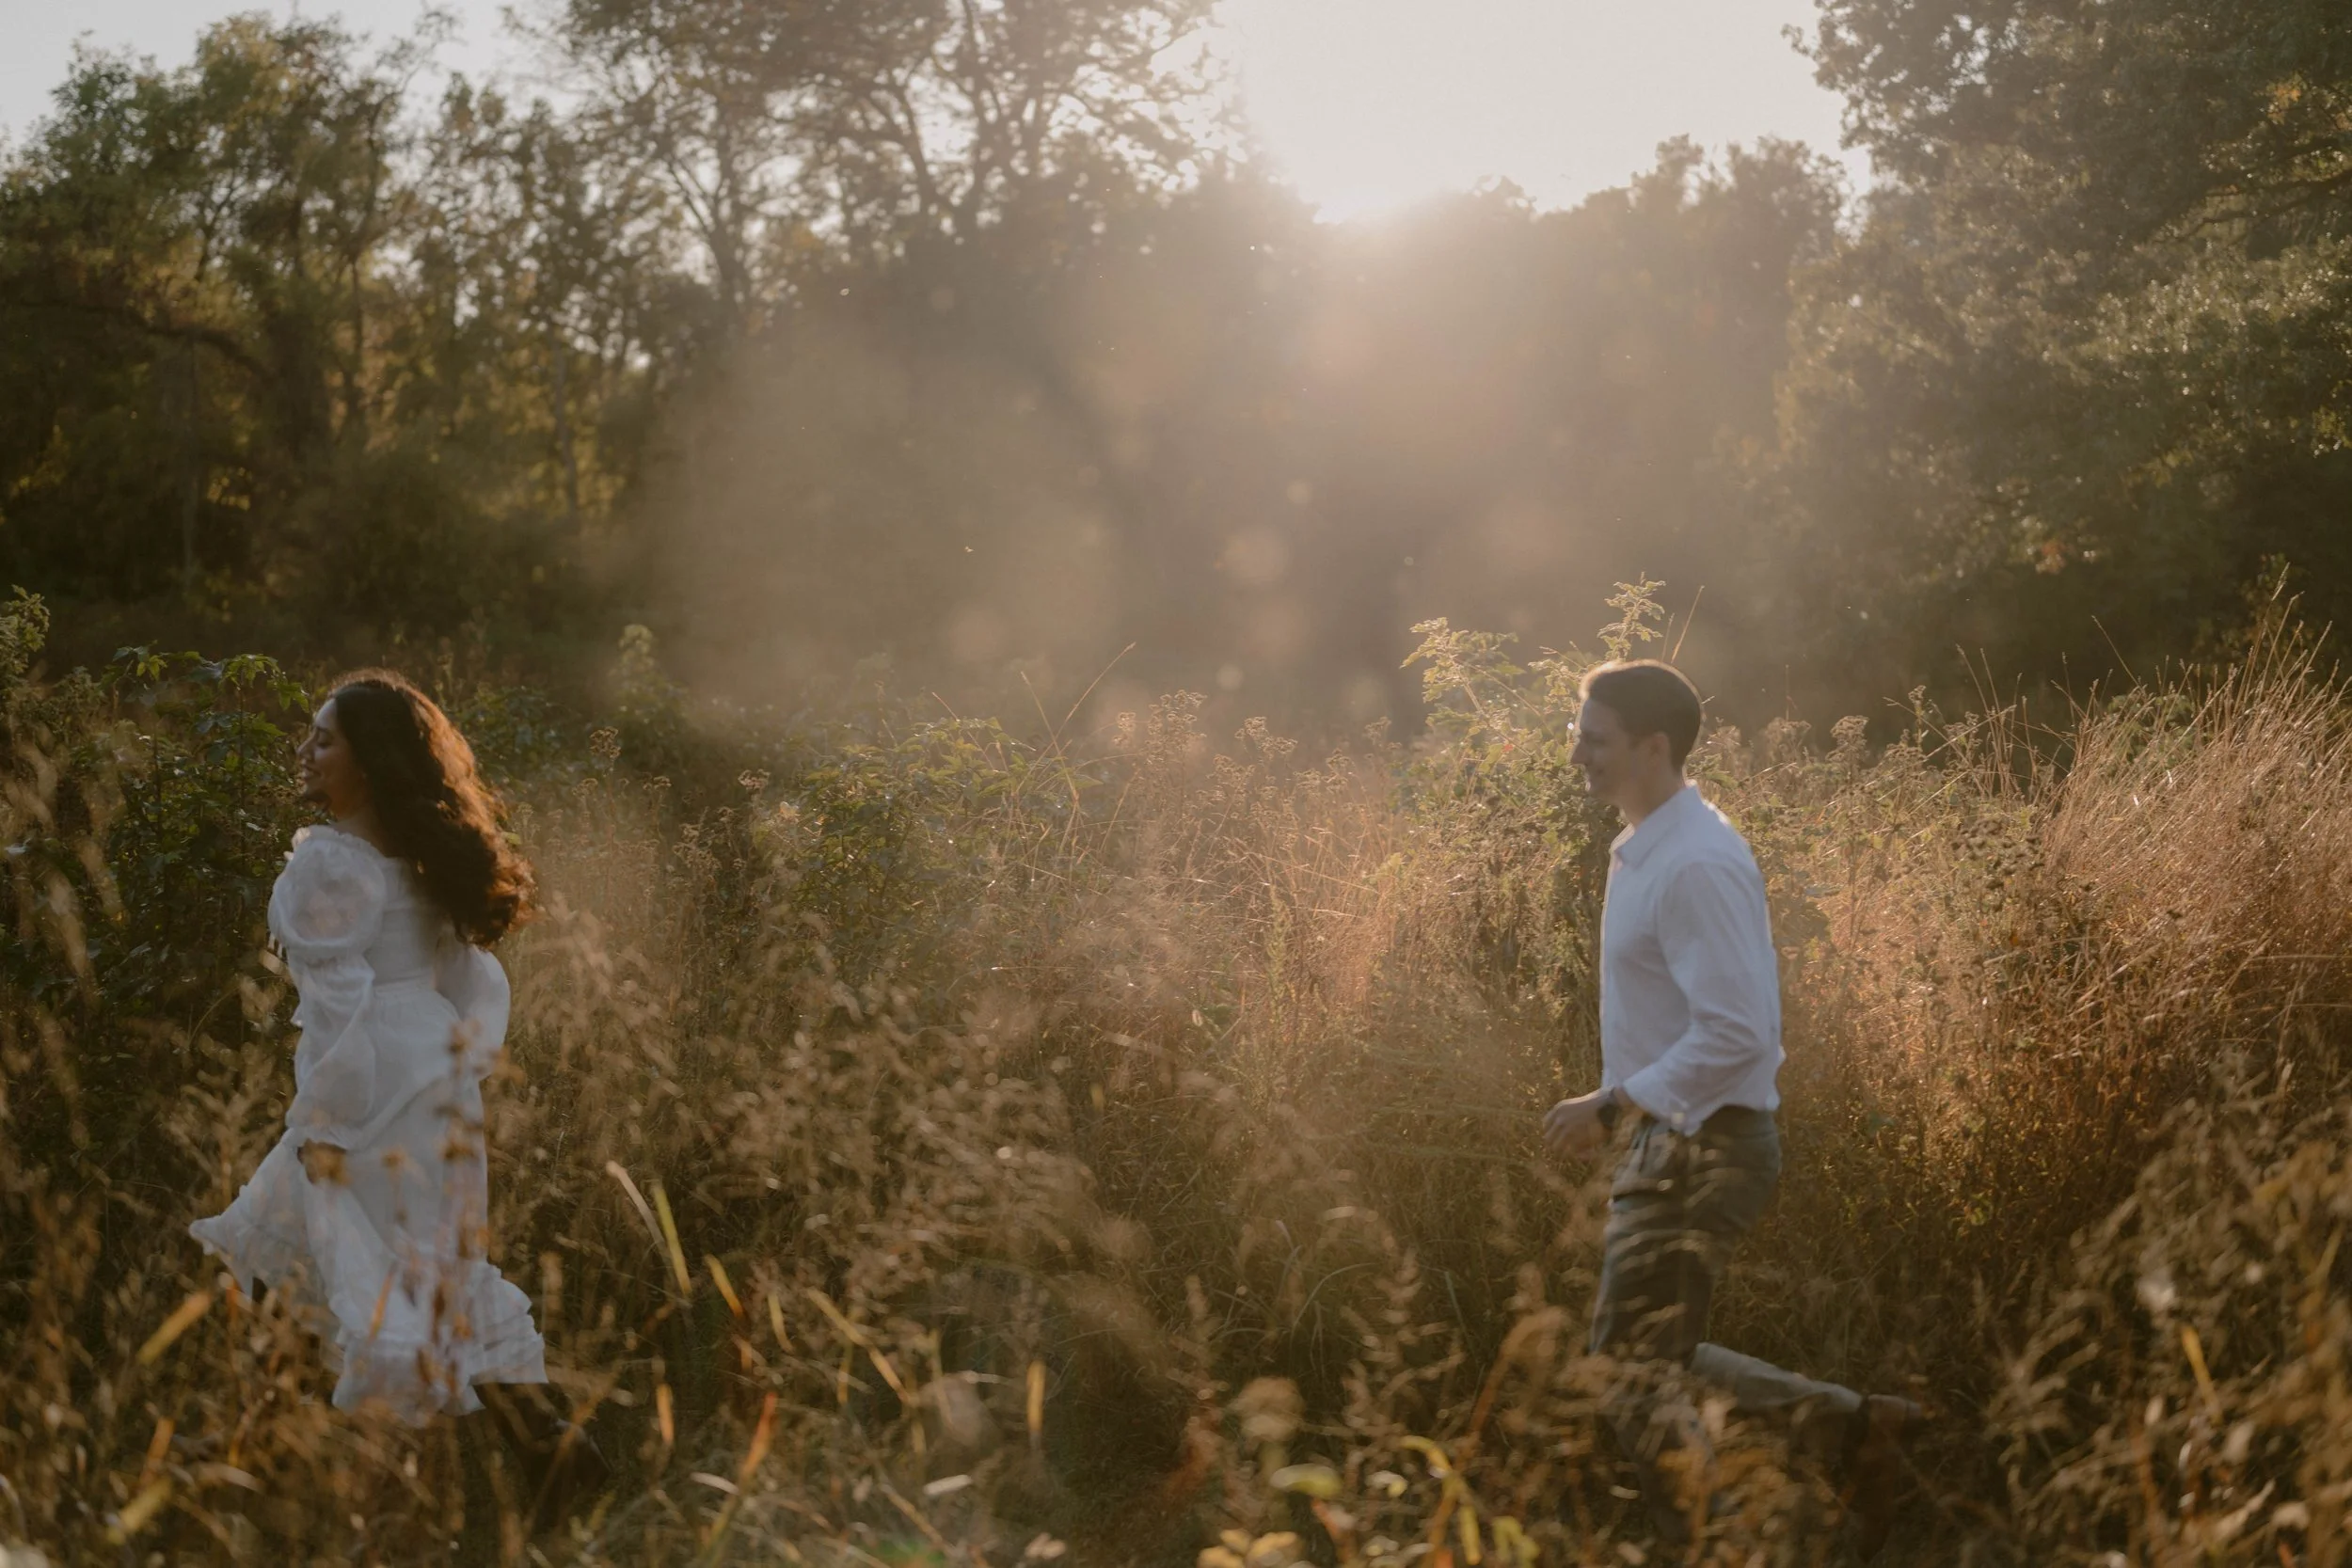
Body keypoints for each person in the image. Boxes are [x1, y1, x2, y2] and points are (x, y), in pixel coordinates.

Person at [1542, 659, 1921, 1558]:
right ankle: (1858, 1432)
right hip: (1668, 1141)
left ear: (1653, 747)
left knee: (1633, 1372)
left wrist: (1611, 1101)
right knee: (1644, 1360)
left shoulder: (1697, 862)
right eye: (1577, 735)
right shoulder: (1645, 848)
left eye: (1593, 740)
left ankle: (1726, 1540)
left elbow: (1739, 1033)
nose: (1576, 755)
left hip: (1704, 1146)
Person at [190, 672, 556, 1431]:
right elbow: (472, 981)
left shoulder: (330, 864)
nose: (306, 750)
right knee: (420, 1272)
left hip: (365, 1091)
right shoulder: (420, 862)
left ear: (369, 762)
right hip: (435, 1082)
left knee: (296, 1260)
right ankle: (549, 1444)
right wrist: (457, 1063)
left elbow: (339, 1004)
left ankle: (257, 1449)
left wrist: (326, 1121)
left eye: (325, 739)